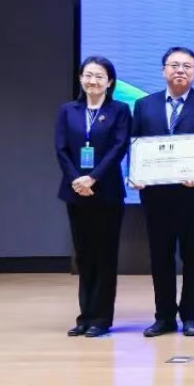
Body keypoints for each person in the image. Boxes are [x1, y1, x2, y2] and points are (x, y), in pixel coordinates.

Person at [131, 47, 194, 337]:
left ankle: (192, 317)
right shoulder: (144, 105)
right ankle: (164, 317)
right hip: (156, 196)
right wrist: (135, 173)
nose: (180, 70)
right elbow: (136, 143)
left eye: (187, 66)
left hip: (192, 194)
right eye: (174, 65)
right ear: (163, 70)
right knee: (160, 257)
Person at [55, 56, 131, 338]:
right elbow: (61, 149)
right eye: (88, 75)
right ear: (80, 78)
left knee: (105, 256)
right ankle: (84, 316)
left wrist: (93, 177)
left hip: (107, 192)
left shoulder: (119, 110)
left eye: (100, 76)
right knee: (84, 256)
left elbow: (118, 147)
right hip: (76, 192)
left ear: (109, 82)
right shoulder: (68, 110)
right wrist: (77, 179)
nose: (93, 81)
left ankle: (101, 318)